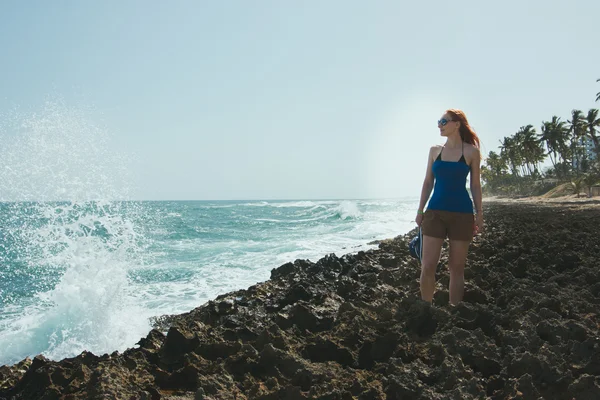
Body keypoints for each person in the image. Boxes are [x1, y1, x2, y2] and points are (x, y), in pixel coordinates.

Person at [415, 109, 483, 305]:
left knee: (456, 268)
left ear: (457, 124)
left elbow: (475, 185)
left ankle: (455, 312)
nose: (440, 125)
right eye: (439, 121)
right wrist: (420, 211)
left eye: (444, 121)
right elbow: (428, 182)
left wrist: (479, 214)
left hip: (462, 214)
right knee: (427, 266)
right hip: (434, 212)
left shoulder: (471, 152)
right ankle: (426, 309)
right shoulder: (435, 151)